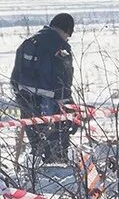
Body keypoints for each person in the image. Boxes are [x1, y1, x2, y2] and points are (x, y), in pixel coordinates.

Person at [10, 13, 75, 163]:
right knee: (55, 142)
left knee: (36, 141)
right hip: (51, 103)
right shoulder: (61, 47)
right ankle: (55, 171)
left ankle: (36, 174)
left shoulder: (29, 42)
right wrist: (68, 102)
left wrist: (19, 94)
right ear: (66, 30)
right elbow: (64, 78)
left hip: (25, 99)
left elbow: (15, 75)